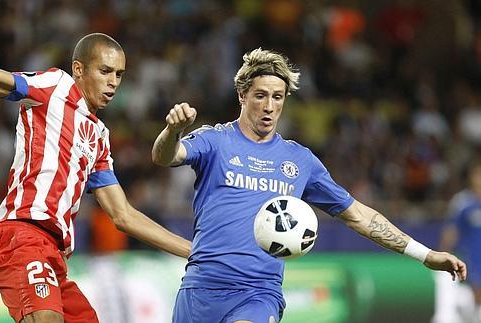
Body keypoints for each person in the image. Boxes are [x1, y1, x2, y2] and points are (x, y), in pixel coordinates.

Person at [151, 48, 467, 323]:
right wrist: (172, 131)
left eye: (278, 97)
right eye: (260, 95)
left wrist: (425, 255)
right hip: (201, 289)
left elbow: (359, 216)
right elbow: (164, 156)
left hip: (258, 293)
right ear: (242, 95)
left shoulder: (299, 161)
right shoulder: (215, 140)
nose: (269, 106)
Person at [0, 1, 191, 322]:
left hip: (54, 256)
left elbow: (123, 215)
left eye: (119, 74)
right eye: (105, 71)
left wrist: (194, 252)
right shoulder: (53, 86)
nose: (113, 82)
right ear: (79, 69)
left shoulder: (99, 135)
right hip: (21, 236)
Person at [435, 161, 481, 323]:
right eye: (478, 175)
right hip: (470, 263)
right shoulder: (463, 202)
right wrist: (443, 256)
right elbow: (450, 232)